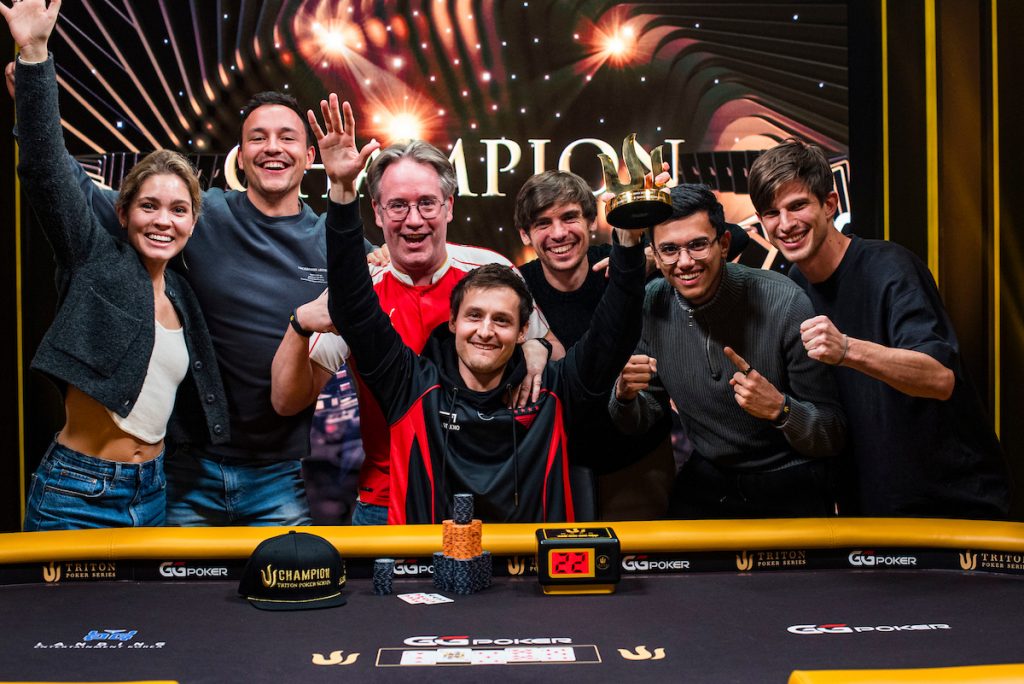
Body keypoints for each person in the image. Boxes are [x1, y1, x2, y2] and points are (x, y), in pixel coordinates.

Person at [310, 94, 646, 523]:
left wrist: (628, 244)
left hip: (524, 559)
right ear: (452, 322)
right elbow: (354, 307)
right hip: (425, 552)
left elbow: (613, 333)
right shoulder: (410, 387)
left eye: (502, 320)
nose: (486, 330)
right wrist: (342, 194)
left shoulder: (552, 386)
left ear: (524, 330)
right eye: (474, 316)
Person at [3, 0, 228, 530]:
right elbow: (46, 168)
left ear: (193, 222)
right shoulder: (93, 256)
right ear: (123, 213)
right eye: (149, 206)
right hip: (76, 492)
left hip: (153, 492)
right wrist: (34, 54)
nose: (163, 220)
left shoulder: (183, 297)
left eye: (178, 210)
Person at [271, 140, 556, 525]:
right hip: (386, 500)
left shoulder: (491, 271)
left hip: (485, 497)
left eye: (427, 203)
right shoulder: (360, 290)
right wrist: (299, 324)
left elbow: (557, 361)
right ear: (377, 211)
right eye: (398, 205)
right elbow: (287, 402)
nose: (414, 220)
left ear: (449, 206)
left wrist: (538, 347)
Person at [748, 138, 1011, 518]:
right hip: (871, 510)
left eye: (798, 205)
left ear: (829, 204)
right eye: (772, 213)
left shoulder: (889, 268)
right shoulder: (792, 290)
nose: (786, 224)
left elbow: (940, 379)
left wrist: (846, 349)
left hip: (953, 503)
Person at [609, 183, 846, 519]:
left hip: (789, 476)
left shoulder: (784, 302)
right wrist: (624, 397)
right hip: (711, 476)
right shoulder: (652, 303)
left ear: (723, 244)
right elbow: (643, 418)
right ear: (656, 257)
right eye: (670, 250)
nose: (685, 262)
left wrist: (780, 410)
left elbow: (832, 433)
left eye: (697, 245)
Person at [515, 170, 675, 519]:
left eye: (570, 217)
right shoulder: (516, 289)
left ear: (591, 222)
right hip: (555, 463)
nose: (559, 233)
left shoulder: (622, 260)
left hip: (637, 458)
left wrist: (653, 256)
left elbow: (733, 238)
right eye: (543, 223)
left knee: (644, 553)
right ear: (526, 234)